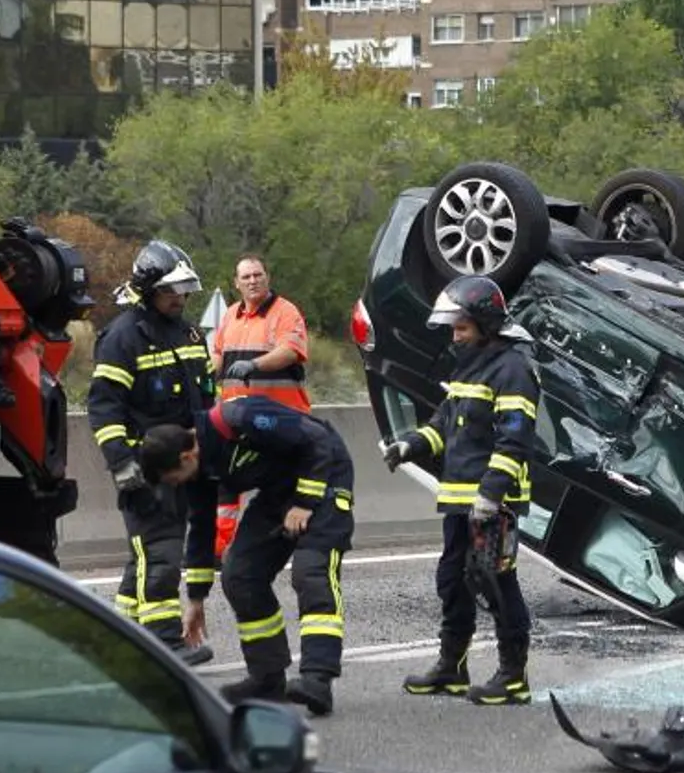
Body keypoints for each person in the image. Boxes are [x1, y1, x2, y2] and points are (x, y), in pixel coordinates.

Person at [137, 393, 354, 716]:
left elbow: (317, 440)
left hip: (323, 477)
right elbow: (201, 528)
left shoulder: (237, 418)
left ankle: (317, 679)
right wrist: (196, 599)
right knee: (239, 574)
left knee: (311, 573)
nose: (176, 486)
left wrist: (305, 503)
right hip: (278, 492)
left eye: (173, 479)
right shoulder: (198, 471)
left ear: (186, 457)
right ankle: (267, 678)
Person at [380, 275, 538, 707]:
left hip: (493, 503)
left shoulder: (513, 369)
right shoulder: (470, 364)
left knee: (497, 582)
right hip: (458, 500)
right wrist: (410, 444)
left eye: (461, 327)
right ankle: (452, 666)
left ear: (485, 323)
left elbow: (515, 441)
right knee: (453, 580)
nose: (455, 336)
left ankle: (512, 676)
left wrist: (490, 496)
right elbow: (446, 423)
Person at [85, 239, 217, 667]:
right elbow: (104, 407)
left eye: (183, 290)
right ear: (148, 291)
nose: (179, 298)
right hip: (147, 468)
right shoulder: (124, 338)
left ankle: (123, 638)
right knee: (159, 553)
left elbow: (206, 399)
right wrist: (122, 465)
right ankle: (164, 643)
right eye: (170, 291)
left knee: (144, 555)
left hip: (188, 465)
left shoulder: (190, 332)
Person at [207, 254, 313, 560]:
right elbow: (218, 356)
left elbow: (290, 351)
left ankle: (293, 544)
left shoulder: (285, 312)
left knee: (285, 487)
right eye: (246, 277)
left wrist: (254, 364)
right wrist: (200, 373)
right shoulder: (230, 316)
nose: (253, 281)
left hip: (281, 422)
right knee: (226, 484)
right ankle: (218, 549)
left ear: (267, 277)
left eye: (258, 275)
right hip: (237, 421)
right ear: (236, 283)